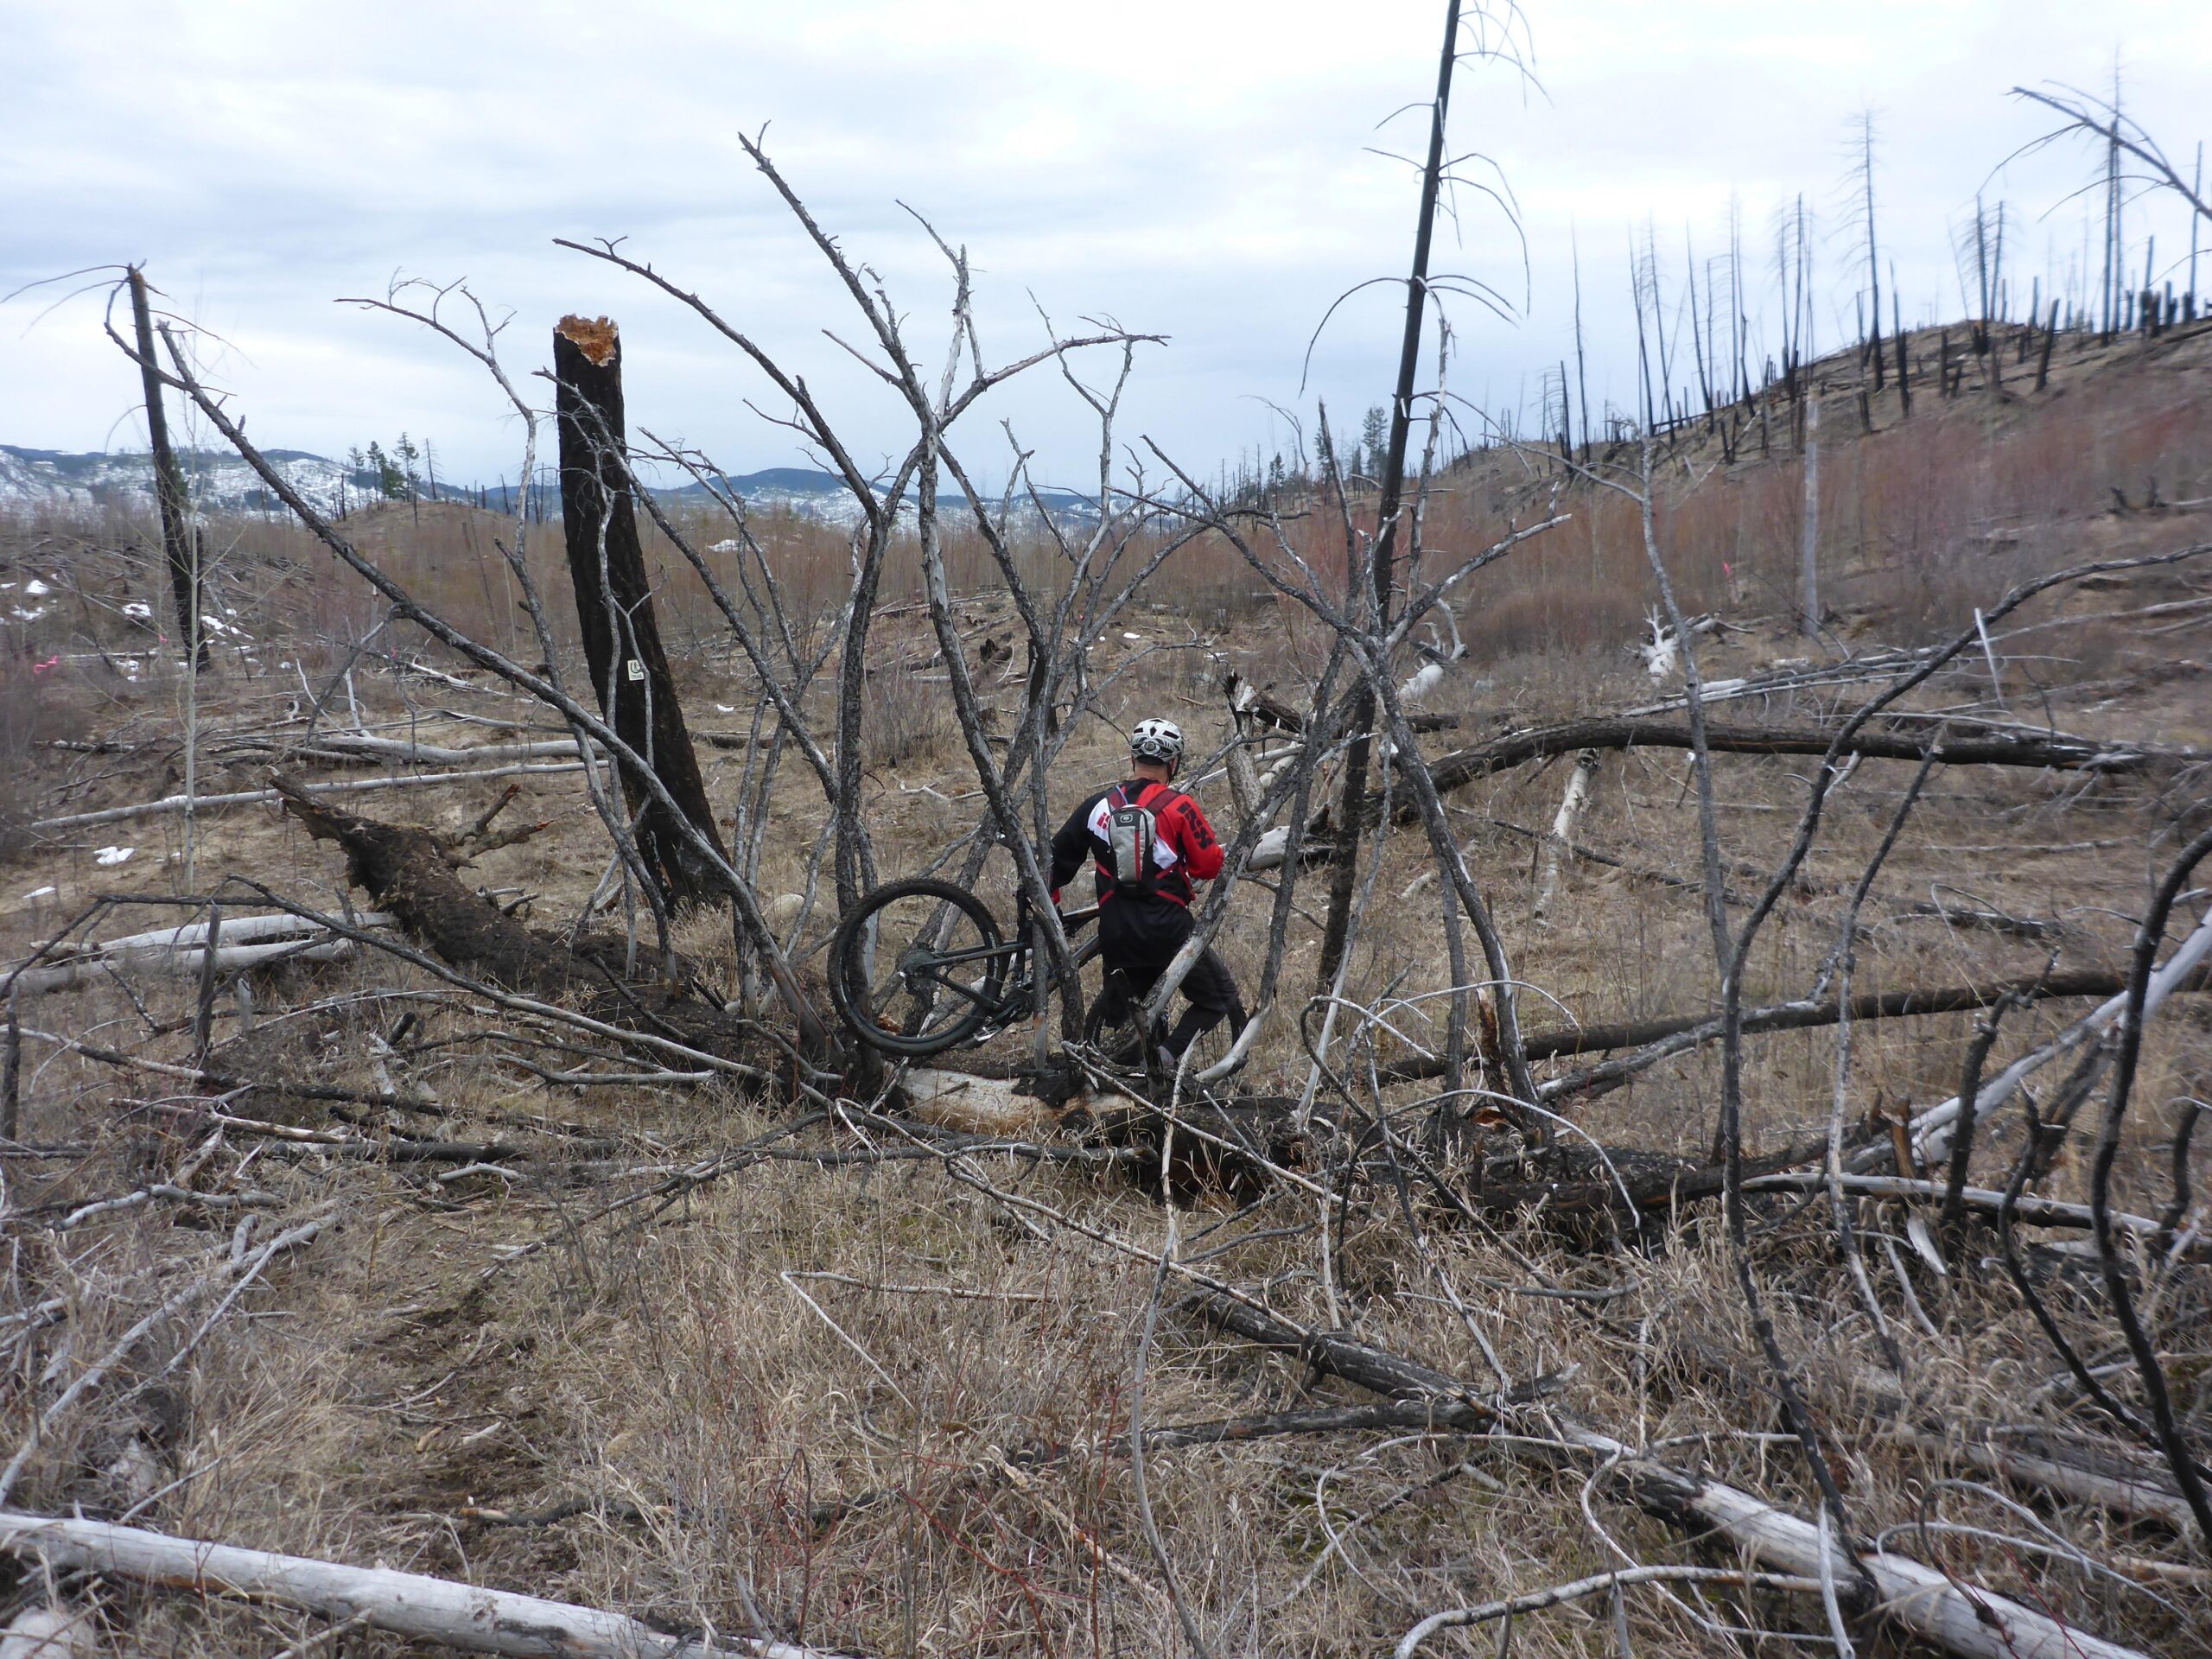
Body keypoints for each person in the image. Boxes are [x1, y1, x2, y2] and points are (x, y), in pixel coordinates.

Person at [1048, 716, 1247, 1071]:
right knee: (1219, 999)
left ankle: (1117, 1080)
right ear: (1174, 763)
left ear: (1132, 760)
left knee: (1123, 1023)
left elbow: (1054, 862)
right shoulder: (1180, 806)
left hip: (1116, 932)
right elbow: (1209, 866)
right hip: (1168, 931)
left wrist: (1054, 909)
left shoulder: (1098, 805)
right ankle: (1164, 1060)